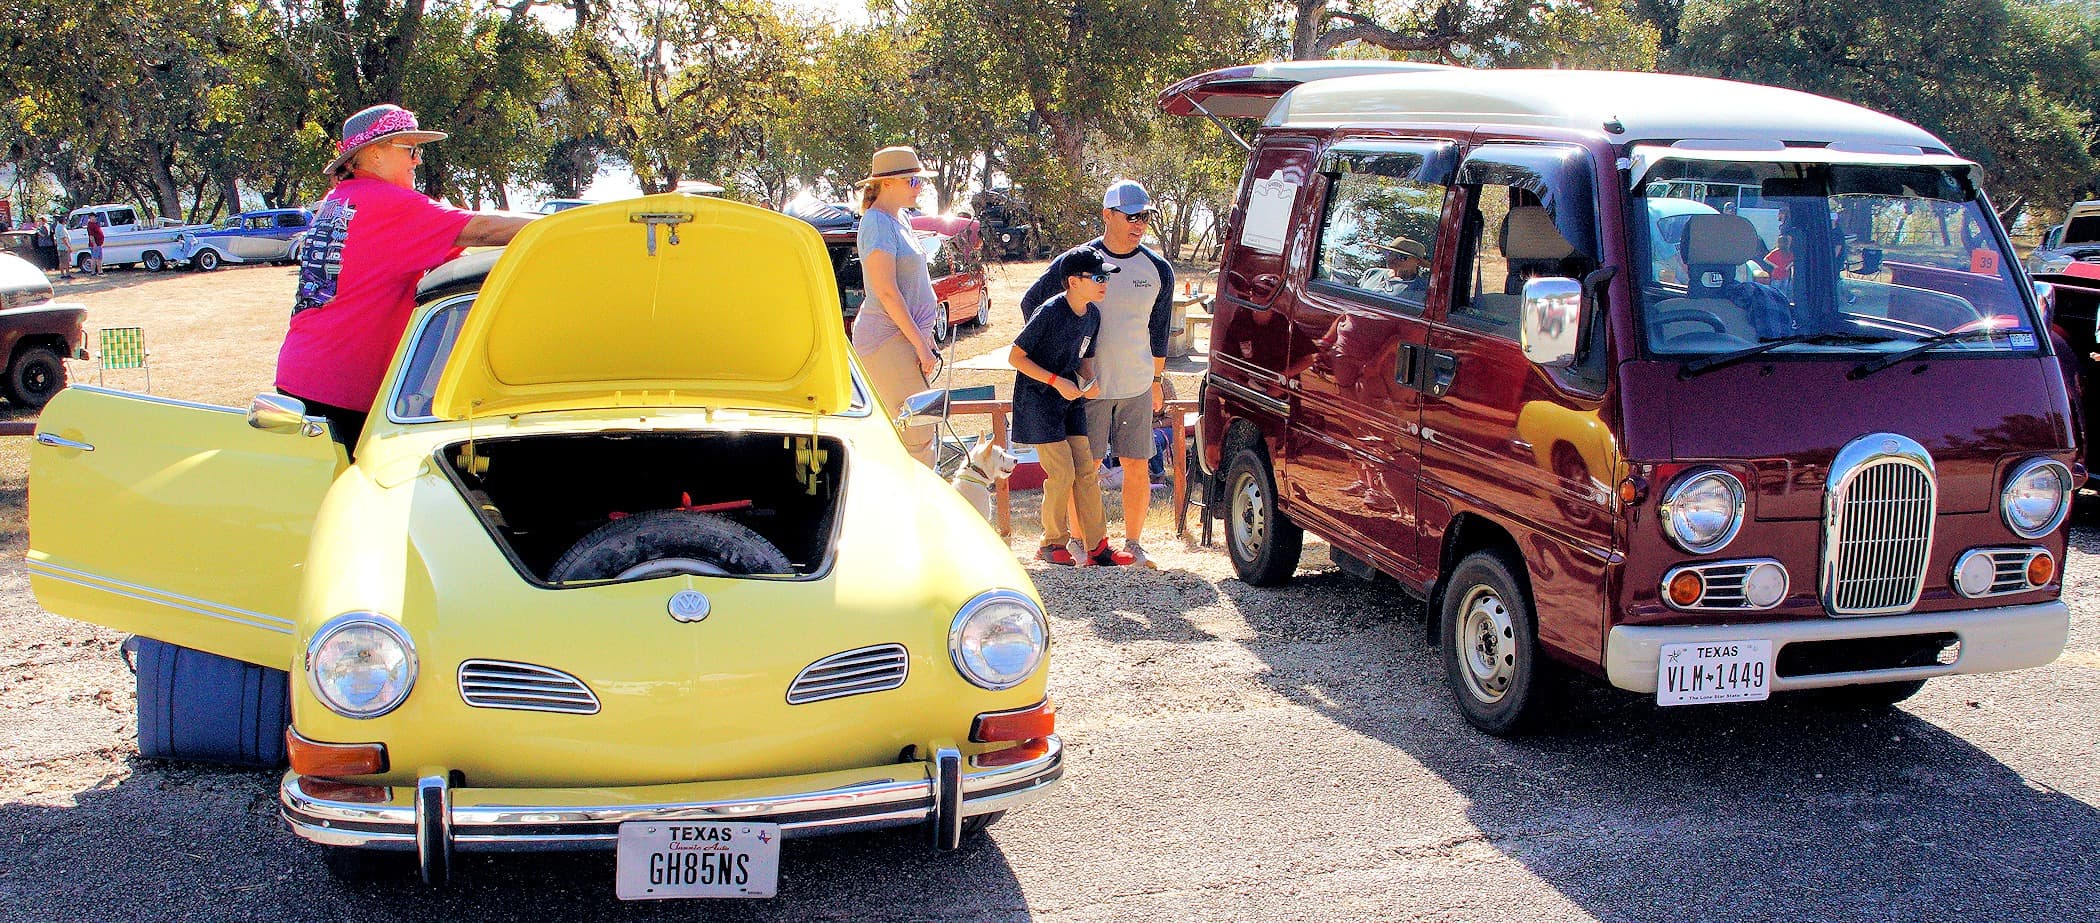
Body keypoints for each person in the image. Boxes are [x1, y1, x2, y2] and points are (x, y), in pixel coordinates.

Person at [276, 103, 532, 456]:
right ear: (374, 153)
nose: (417, 160)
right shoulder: (388, 203)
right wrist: (568, 226)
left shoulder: (337, 200)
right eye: (410, 149)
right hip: (345, 386)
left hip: (304, 371)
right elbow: (485, 229)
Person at [1019, 179, 1175, 568]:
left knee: (1137, 462)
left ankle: (1134, 543)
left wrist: (1156, 382)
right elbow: (1033, 305)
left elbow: (1159, 332)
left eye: (1145, 217)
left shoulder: (1158, 268)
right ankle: (1078, 542)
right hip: (1088, 388)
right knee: (1082, 468)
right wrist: (1061, 362)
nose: (1139, 224)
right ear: (1107, 215)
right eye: (1131, 216)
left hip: (1136, 382)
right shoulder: (1078, 261)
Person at [1009, 251, 1112, 566]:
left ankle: (1097, 548)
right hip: (1038, 401)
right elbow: (1015, 356)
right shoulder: (1050, 312)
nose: (1104, 283)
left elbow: (1085, 360)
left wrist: (1089, 381)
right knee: (1062, 473)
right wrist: (1055, 381)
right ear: (1073, 282)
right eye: (1098, 277)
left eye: (1105, 277)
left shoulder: (1092, 315)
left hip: (1070, 401)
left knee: (1086, 471)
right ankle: (1051, 544)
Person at [851, 145, 942, 468]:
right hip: (887, 341)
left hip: (906, 340)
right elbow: (887, 292)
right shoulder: (876, 223)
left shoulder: (900, 218)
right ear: (886, 183)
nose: (919, 187)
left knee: (918, 429)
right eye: (912, 181)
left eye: (919, 181)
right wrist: (921, 344)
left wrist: (924, 339)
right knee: (918, 432)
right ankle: (917, 515)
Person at [1357, 236, 1430, 298]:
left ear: (1417, 262)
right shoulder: (1371, 273)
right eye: (1389, 253)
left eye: (1401, 256)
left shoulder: (1422, 289)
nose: (1392, 258)